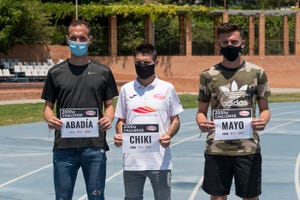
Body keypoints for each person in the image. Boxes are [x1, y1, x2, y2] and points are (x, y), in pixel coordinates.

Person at [41, 20, 119, 200]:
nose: (78, 41)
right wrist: (50, 118)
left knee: (96, 197)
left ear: (89, 39)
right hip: (64, 148)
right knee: (62, 198)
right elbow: (47, 108)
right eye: (74, 38)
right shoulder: (55, 72)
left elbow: (109, 106)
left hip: (94, 148)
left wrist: (108, 118)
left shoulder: (103, 72)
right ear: (67, 39)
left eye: (82, 38)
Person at [195, 22, 271, 200]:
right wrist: (201, 121)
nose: (229, 46)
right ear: (219, 45)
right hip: (217, 148)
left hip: (248, 149)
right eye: (225, 42)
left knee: (250, 197)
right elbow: (201, 111)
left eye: (234, 42)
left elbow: (265, 109)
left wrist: (263, 120)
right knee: (218, 198)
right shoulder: (208, 75)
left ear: (242, 43)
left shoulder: (257, 73)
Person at [113, 43, 183, 200]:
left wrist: (169, 135)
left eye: (146, 63)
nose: (142, 66)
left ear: (156, 63)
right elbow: (121, 120)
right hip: (132, 161)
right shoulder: (126, 89)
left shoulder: (167, 88)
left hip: (160, 161)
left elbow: (176, 120)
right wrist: (120, 135)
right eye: (138, 63)